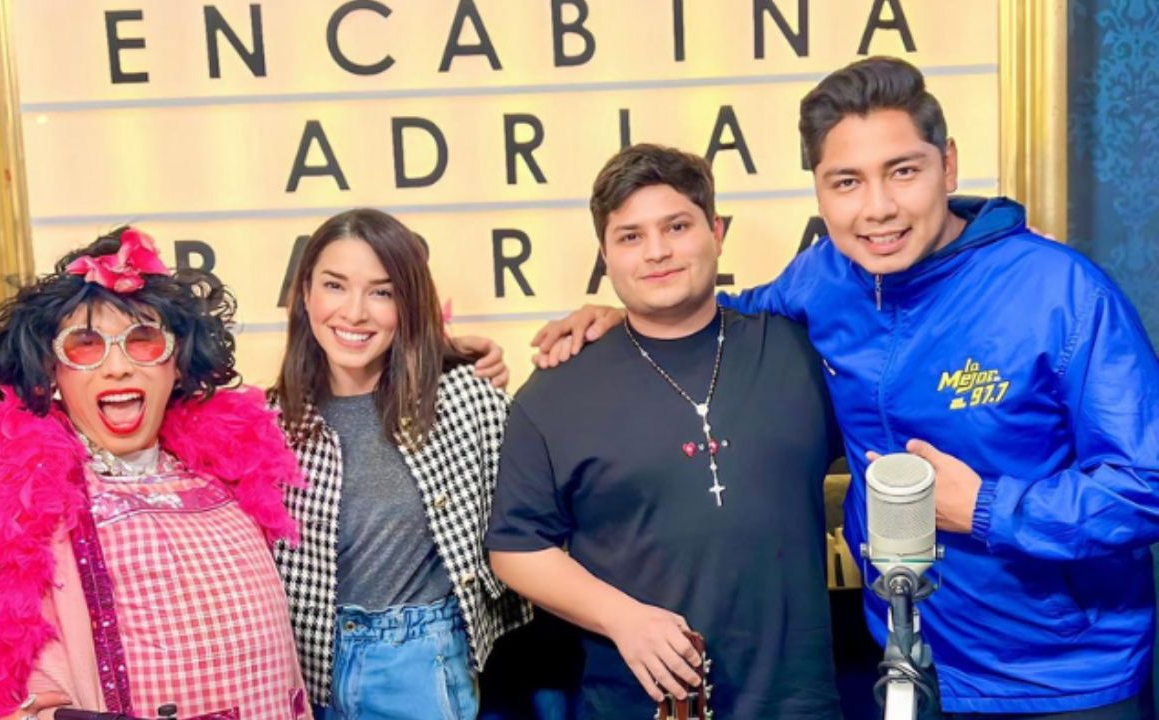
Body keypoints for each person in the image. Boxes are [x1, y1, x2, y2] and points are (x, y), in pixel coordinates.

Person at [531, 57, 1159, 718]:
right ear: (819, 190)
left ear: (948, 165)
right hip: (910, 665)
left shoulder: (1058, 290)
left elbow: (1147, 483)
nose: (878, 208)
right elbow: (723, 321)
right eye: (847, 182)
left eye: (903, 171)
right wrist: (625, 318)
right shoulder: (823, 278)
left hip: (1064, 679)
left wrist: (985, 507)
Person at [0, 228, 310, 720]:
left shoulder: (223, 461)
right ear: (52, 371)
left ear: (177, 363)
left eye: (143, 340)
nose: (118, 367)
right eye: (85, 345)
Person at [486, 144, 844, 719]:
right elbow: (515, 546)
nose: (656, 252)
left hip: (798, 701)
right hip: (638, 702)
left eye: (676, 227)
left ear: (716, 232)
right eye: (630, 236)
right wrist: (622, 618)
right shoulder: (554, 392)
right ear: (605, 257)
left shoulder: (798, 353)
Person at [270, 208, 531, 720]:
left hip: (417, 666)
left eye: (382, 293)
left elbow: (545, 512)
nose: (354, 312)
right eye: (335, 285)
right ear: (304, 294)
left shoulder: (465, 400)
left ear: (408, 304)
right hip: (294, 671)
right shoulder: (269, 422)